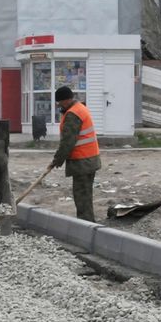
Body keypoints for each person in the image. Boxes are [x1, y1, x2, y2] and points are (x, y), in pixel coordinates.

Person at [50, 86, 101, 222]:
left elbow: (68, 142)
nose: (59, 105)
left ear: (66, 100)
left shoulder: (73, 114)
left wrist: (57, 160)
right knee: (85, 195)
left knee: (82, 197)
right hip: (90, 159)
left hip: (82, 161)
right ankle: (88, 223)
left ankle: (86, 226)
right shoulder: (80, 108)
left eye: (59, 102)